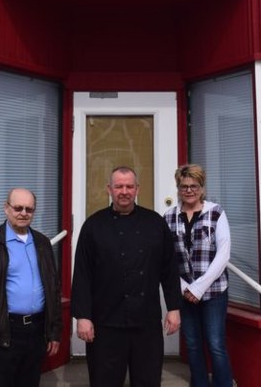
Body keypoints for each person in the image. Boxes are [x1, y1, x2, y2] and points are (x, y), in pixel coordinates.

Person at [71, 165, 183, 387]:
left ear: (137, 189)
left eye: (129, 186)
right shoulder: (93, 225)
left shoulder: (155, 223)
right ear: (109, 190)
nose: (124, 191)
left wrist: (174, 308)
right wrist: (82, 317)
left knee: (148, 380)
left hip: (146, 322)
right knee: (104, 381)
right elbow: (82, 275)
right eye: (119, 186)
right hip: (105, 323)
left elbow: (169, 269)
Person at [0, 188, 62, 387]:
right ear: (6, 209)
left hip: (36, 332)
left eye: (29, 209)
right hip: (4, 334)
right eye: (18, 208)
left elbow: (53, 289)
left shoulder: (42, 243)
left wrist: (54, 332)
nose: (23, 213)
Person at [164, 164, 234, 387]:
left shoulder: (215, 212)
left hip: (214, 292)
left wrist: (199, 287)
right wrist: (185, 287)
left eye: (194, 186)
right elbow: (166, 259)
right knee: (193, 344)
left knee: (215, 344)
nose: (189, 190)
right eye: (184, 186)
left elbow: (223, 254)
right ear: (178, 188)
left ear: (202, 188)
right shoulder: (168, 217)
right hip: (184, 293)